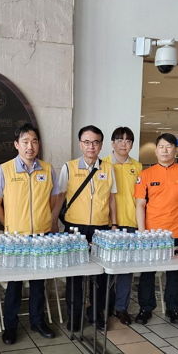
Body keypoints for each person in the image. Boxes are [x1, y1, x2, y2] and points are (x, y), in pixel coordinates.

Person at [0, 123, 60, 344]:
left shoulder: (48, 169)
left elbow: (54, 198)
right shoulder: (5, 169)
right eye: (25, 142)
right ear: (16, 145)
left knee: (39, 282)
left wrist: (49, 220)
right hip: (16, 238)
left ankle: (38, 321)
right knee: (15, 283)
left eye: (34, 141)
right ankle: (10, 327)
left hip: (41, 236)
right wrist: (7, 224)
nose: (30, 146)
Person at [134, 133, 178, 325]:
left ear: (175, 150)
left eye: (169, 146)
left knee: (174, 275)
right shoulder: (145, 175)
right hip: (152, 235)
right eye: (161, 146)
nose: (165, 150)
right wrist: (142, 232)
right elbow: (140, 205)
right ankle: (145, 309)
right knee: (147, 274)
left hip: (176, 234)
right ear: (156, 150)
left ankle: (173, 309)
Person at [58, 125, 117, 331]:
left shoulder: (108, 168)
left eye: (95, 142)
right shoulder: (69, 167)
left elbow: (111, 200)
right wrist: (52, 224)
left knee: (100, 275)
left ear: (101, 145)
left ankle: (96, 313)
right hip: (75, 229)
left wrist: (114, 224)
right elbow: (59, 198)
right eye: (87, 142)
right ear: (80, 144)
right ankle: (74, 316)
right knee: (75, 275)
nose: (91, 146)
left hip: (101, 229)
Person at [102, 126, 142, 325]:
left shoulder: (138, 167)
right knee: (105, 269)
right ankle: (104, 306)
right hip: (107, 226)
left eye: (128, 141)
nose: (123, 144)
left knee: (126, 270)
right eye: (120, 140)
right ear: (112, 143)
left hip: (131, 225)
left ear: (132, 144)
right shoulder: (103, 165)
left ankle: (121, 308)